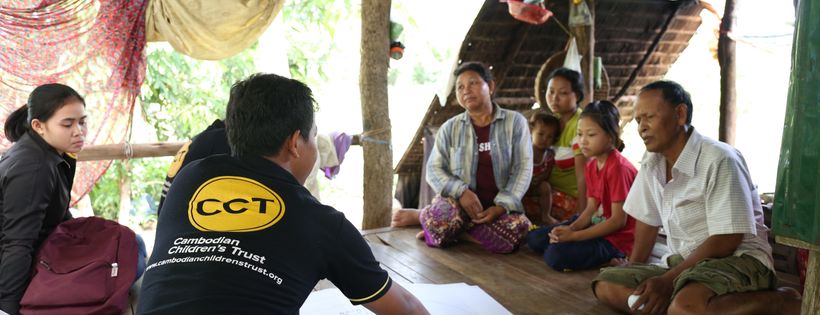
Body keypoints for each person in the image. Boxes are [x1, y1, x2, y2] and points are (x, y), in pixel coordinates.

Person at [136, 73, 428, 315]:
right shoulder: (320, 223)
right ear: (294, 144)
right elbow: (407, 309)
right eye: (313, 135)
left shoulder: (189, 180)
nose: (315, 144)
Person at [592, 81, 801, 315]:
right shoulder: (652, 161)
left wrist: (669, 280)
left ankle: (782, 301)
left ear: (680, 114)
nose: (642, 127)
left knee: (684, 308)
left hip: (739, 260)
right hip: (685, 262)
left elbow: (728, 238)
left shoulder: (719, 159)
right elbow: (647, 220)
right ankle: (675, 306)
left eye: (649, 117)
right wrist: (634, 267)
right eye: (638, 120)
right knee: (606, 285)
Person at [392, 62, 533, 254]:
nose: (466, 90)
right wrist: (461, 192)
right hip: (458, 205)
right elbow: (434, 170)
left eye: (473, 83)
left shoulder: (515, 122)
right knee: (444, 217)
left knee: (519, 230)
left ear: (490, 86)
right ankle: (440, 223)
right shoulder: (450, 128)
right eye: (460, 87)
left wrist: (501, 207)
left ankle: (450, 230)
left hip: (496, 208)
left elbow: (523, 168)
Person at [0, 83, 87, 315]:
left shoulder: (51, 153)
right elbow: (17, 242)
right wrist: (7, 308)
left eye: (82, 121)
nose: (78, 131)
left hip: (44, 248)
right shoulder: (34, 168)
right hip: (18, 265)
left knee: (128, 244)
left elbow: (58, 213)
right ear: (38, 126)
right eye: (67, 124)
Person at [527, 100, 637, 271]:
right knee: (534, 238)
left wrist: (575, 236)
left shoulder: (619, 169)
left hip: (616, 239)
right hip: (595, 224)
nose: (583, 141)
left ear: (610, 135)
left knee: (554, 255)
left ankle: (614, 257)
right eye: (579, 134)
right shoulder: (592, 165)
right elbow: (591, 208)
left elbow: (617, 221)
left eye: (591, 135)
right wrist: (569, 229)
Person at [545, 68, 588, 221]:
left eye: (562, 93)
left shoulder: (580, 126)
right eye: (551, 91)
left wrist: (582, 217)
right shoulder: (550, 122)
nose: (554, 98)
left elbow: (583, 176)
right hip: (550, 193)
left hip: (571, 199)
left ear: (576, 95)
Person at [523, 111, 560, 225]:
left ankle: (546, 216)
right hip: (522, 185)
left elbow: (547, 172)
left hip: (536, 186)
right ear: (531, 131)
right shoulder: (524, 151)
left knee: (546, 187)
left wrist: (540, 179)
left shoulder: (549, 155)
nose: (544, 139)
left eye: (549, 137)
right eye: (541, 134)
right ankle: (521, 215)